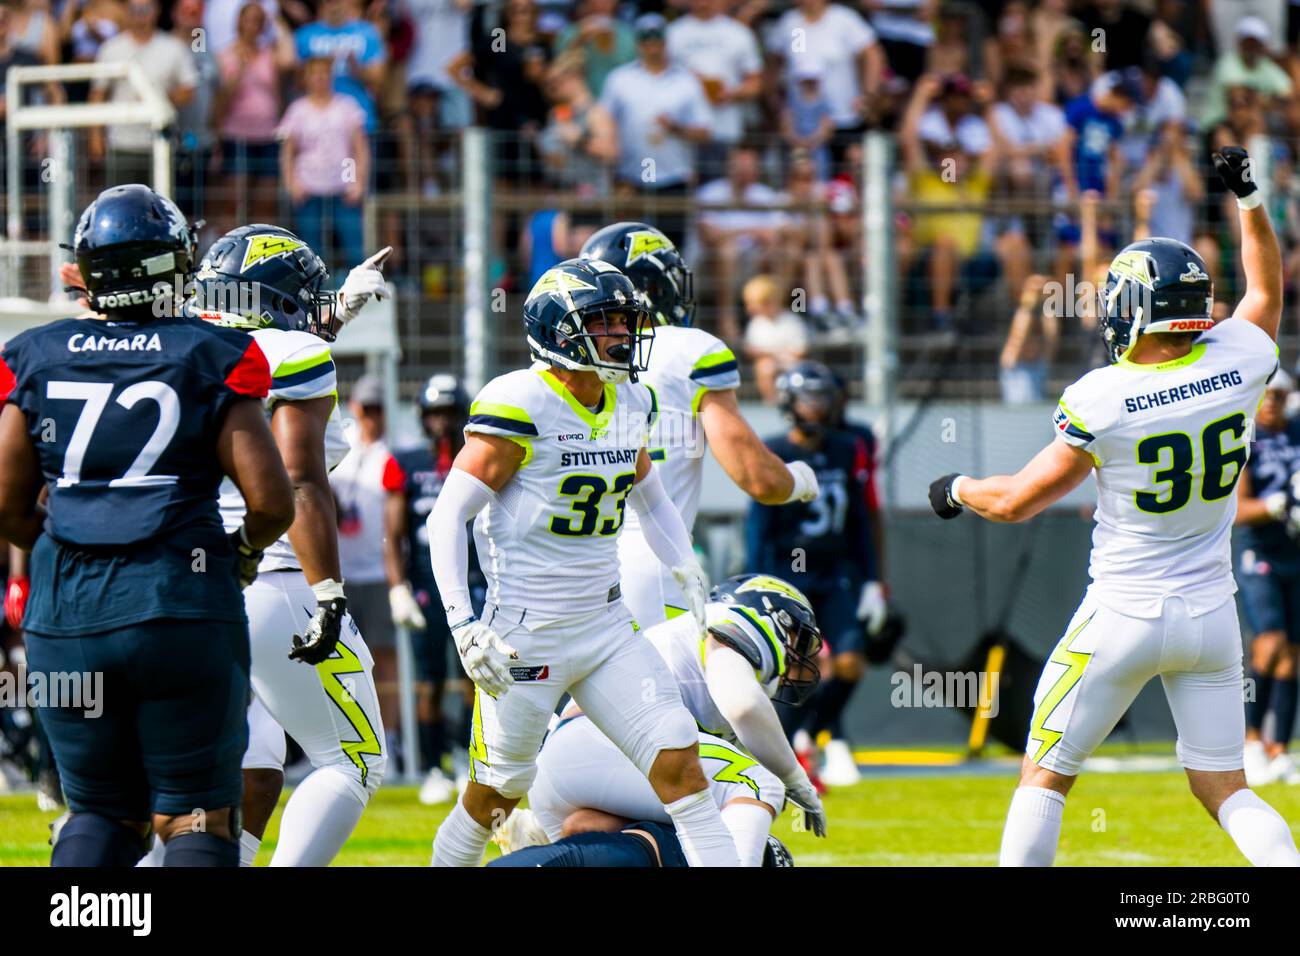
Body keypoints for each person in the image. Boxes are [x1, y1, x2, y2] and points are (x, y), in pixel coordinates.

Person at [928, 146, 1300, 867]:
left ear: (1138, 309)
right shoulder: (1244, 361)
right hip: (1212, 614)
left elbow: (1013, 502)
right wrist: (1249, 198)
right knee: (1226, 786)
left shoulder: (1104, 395)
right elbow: (1268, 287)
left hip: (1125, 611)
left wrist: (955, 489)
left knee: (1045, 776)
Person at [0, 184, 295, 866]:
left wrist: (68, 548)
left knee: (100, 813)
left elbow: (9, 504)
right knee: (195, 815)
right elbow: (273, 501)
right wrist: (238, 554)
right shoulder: (211, 352)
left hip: (65, 613)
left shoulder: (33, 354)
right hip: (180, 602)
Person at [425, 258, 740, 867]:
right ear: (560, 332)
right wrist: (464, 624)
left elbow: (650, 497)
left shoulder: (629, 399)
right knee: (498, 793)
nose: (622, 335)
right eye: (606, 323)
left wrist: (687, 566)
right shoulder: (521, 401)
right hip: (526, 633)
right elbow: (446, 518)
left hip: (606, 627)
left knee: (678, 759)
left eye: (626, 321)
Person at [182, 224, 393, 867]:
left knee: (257, 764)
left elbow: (262, 362)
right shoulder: (296, 353)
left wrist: (334, 317)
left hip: (189, 583)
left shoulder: (185, 349)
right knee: (353, 763)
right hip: (273, 575)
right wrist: (328, 592)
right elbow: (299, 481)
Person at [579, 221, 819, 630]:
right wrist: (798, 480)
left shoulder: (563, 363)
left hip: (558, 566)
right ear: (650, 288)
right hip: (649, 565)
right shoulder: (687, 350)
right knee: (667, 694)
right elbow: (757, 478)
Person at [520, 572, 827, 866]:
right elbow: (743, 705)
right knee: (756, 784)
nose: (796, 660)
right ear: (772, 613)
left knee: (683, 839)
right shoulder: (732, 621)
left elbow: (584, 824)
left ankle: (535, 836)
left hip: (571, 775)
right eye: (797, 640)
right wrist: (793, 778)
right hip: (600, 741)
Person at [748, 361, 884, 788]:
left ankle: (809, 734)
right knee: (799, 672)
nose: (818, 407)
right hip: (788, 574)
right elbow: (758, 522)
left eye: (824, 398)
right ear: (790, 403)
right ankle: (784, 765)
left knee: (849, 664)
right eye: (809, 398)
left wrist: (872, 580)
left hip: (833, 573)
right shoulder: (774, 450)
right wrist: (760, 582)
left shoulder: (846, 447)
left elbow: (860, 518)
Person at [382, 373, 480, 805]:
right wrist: (397, 586)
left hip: (475, 579)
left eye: (449, 413)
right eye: (435, 413)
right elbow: (393, 533)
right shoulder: (406, 462)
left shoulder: (479, 456)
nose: (442, 423)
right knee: (429, 681)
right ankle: (432, 766)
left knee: (474, 675)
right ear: (423, 417)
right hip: (426, 582)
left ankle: (465, 756)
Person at [1234, 371, 1300, 786]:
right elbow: (1237, 510)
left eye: (1278, 395)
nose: (1271, 402)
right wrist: (1275, 506)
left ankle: (1281, 749)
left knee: (1293, 653)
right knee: (1269, 643)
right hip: (1261, 553)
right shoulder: (1246, 440)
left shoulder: (1296, 433)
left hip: (1296, 553)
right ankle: (1251, 740)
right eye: (1265, 395)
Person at [599, 14, 712, 244]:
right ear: (638, 44)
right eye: (646, 40)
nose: (652, 46)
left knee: (671, 247)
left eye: (657, 40)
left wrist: (676, 128)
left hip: (673, 177)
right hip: (629, 177)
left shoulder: (686, 80)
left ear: (665, 42)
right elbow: (603, 119)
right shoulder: (619, 79)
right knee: (624, 246)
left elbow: (705, 130)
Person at [278, 55, 370, 270]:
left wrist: (357, 182)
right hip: (309, 187)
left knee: (354, 246)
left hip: (343, 186)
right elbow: (288, 152)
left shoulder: (348, 106)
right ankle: (316, 297)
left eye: (324, 73)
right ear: (307, 78)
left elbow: (359, 148)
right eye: (315, 74)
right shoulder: (297, 109)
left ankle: (358, 294)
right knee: (311, 250)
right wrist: (292, 183)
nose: (320, 78)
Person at [89, 0, 197, 183]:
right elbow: (97, 94)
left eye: (145, 9)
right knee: (121, 205)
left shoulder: (173, 48)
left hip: (161, 143)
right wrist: (95, 137)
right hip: (121, 142)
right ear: (126, 11)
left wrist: (160, 99)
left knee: (159, 206)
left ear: (157, 11)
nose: (140, 15)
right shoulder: (111, 48)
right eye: (135, 9)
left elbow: (189, 90)